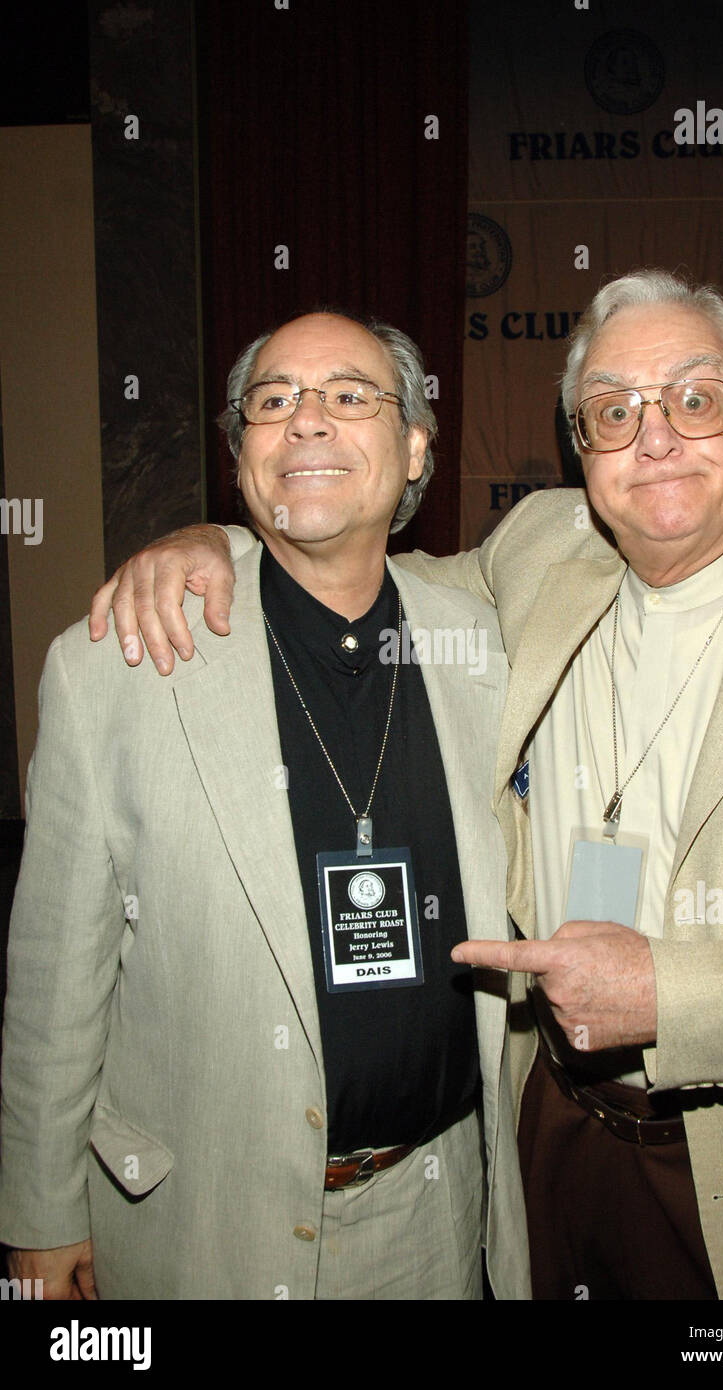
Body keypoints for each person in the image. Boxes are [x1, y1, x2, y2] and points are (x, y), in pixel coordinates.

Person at [86, 271, 723, 1301]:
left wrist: (665, 994)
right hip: (539, 1124)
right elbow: (345, 563)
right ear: (578, 446)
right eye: (611, 411)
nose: (654, 438)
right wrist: (219, 537)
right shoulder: (545, 549)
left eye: (694, 396)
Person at [0, 311, 530, 1300]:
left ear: (415, 446)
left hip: (435, 1211)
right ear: (240, 454)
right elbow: (53, 977)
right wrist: (38, 1210)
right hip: (197, 1225)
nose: (307, 422)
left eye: (349, 395)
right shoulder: (112, 666)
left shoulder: (486, 648)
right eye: (272, 400)